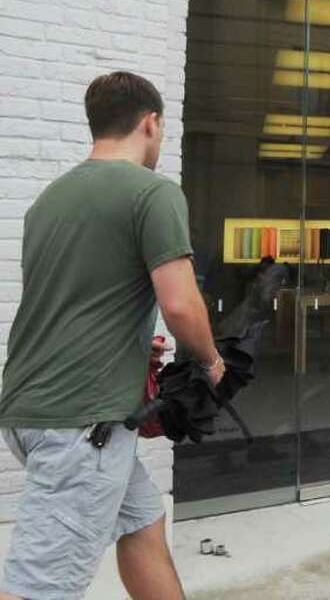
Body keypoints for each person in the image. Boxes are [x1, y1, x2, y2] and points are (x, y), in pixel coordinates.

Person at [0, 72, 226, 600]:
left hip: (34, 410)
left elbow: (70, 307)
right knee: (40, 587)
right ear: (151, 124)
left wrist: (129, 344)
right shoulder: (153, 193)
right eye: (162, 130)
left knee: (143, 525)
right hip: (82, 421)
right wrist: (213, 361)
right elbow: (179, 302)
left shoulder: (48, 202)